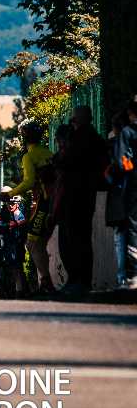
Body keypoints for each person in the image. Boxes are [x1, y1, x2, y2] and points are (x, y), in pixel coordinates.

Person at [56, 105, 108, 293]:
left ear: (78, 120)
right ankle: (83, 279)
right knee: (83, 236)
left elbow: (65, 161)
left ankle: (78, 279)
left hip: (75, 194)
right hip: (88, 193)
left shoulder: (79, 138)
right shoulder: (96, 138)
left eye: (74, 120)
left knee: (75, 238)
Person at [3, 120, 55, 293]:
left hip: (44, 202)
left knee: (32, 242)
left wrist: (9, 194)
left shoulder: (29, 156)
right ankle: (45, 281)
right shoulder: (48, 152)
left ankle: (46, 281)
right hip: (56, 200)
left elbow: (29, 182)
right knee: (41, 241)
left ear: (25, 138)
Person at [105, 112, 130, 289]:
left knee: (120, 238)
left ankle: (123, 278)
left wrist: (111, 177)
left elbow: (115, 171)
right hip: (128, 195)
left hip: (120, 197)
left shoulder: (116, 145)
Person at [119, 101, 137, 289]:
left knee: (133, 228)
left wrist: (130, 173)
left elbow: (124, 160)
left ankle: (135, 273)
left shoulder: (128, 132)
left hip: (133, 185)